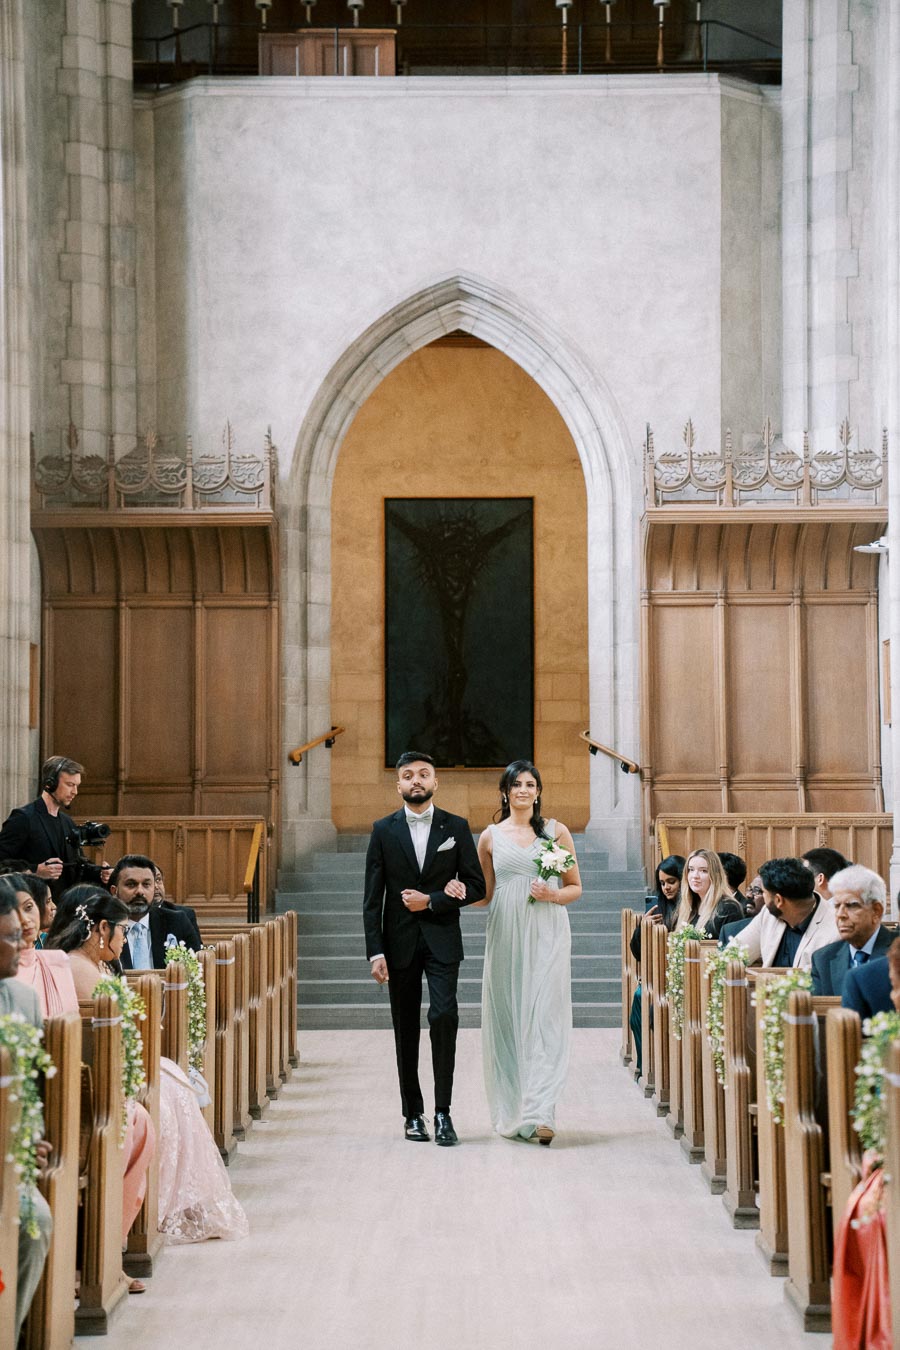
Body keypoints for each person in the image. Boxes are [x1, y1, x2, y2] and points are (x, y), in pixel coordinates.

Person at [48, 887, 247, 1244]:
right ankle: (154, 1210)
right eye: (122, 929)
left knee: (172, 1082)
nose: (126, 938)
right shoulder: (78, 966)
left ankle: (166, 1204)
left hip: (110, 1065)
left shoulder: (96, 962)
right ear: (101, 930)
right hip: (97, 1075)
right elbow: (110, 1029)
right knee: (169, 1090)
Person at [363, 751, 485, 1146]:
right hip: (397, 944)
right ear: (398, 785)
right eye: (408, 775)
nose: (416, 780)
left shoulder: (457, 826)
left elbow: (476, 885)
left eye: (424, 775)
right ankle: (413, 1113)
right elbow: (372, 899)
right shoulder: (383, 830)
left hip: (442, 940)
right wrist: (375, 952)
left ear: (436, 782)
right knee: (405, 1029)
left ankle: (443, 1112)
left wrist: (436, 899)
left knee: (445, 1016)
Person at [476, 761, 582, 1144]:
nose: (523, 789)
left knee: (544, 1016)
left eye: (530, 784)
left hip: (546, 928)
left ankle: (542, 1111)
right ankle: (513, 1108)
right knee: (508, 1014)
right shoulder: (489, 837)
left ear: (538, 791)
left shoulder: (555, 833)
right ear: (504, 792)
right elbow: (485, 895)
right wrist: (450, 897)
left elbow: (574, 887)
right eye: (516, 784)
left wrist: (552, 894)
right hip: (505, 929)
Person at [0, 882, 54, 1342]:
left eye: (22, 934)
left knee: (34, 1220)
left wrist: (30, 1140)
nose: (22, 945)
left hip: (10, 1160)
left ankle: (6, 1334)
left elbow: (31, 1083)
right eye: (10, 937)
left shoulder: (23, 998)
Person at [0, 755, 111, 897]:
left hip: (63, 908)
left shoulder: (67, 822)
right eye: (70, 785)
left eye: (77, 786)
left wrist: (100, 873)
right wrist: (35, 871)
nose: (75, 792)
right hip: (33, 904)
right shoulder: (23, 818)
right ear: (50, 783)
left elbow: (77, 865)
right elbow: (2, 862)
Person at [627, 855, 685, 1079]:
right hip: (655, 975)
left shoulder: (690, 907)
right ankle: (644, 1064)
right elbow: (636, 951)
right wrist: (643, 927)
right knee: (637, 1012)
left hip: (676, 976)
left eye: (671, 881)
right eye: (662, 883)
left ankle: (660, 1072)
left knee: (649, 1007)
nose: (666, 887)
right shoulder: (659, 906)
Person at [727, 856, 839, 969]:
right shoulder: (768, 914)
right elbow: (731, 955)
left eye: (764, 892)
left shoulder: (835, 929)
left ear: (778, 900)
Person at [810, 864, 895, 996]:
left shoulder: (897, 949)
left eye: (851, 905)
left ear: (876, 911)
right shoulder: (823, 958)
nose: (840, 914)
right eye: (837, 906)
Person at [110, 854, 201, 969]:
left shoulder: (177, 922)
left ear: (154, 888)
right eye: (131, 884)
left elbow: (197, 969)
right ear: (114, 891)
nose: (140, 891)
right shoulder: (105, 927)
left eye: (146, 884)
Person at [675, 849, 743, 939]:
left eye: (703, 871)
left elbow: (732, 949)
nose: (695, 876)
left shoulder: (728, 908)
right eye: (691, 869)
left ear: (715, 876)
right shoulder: (689, 905)